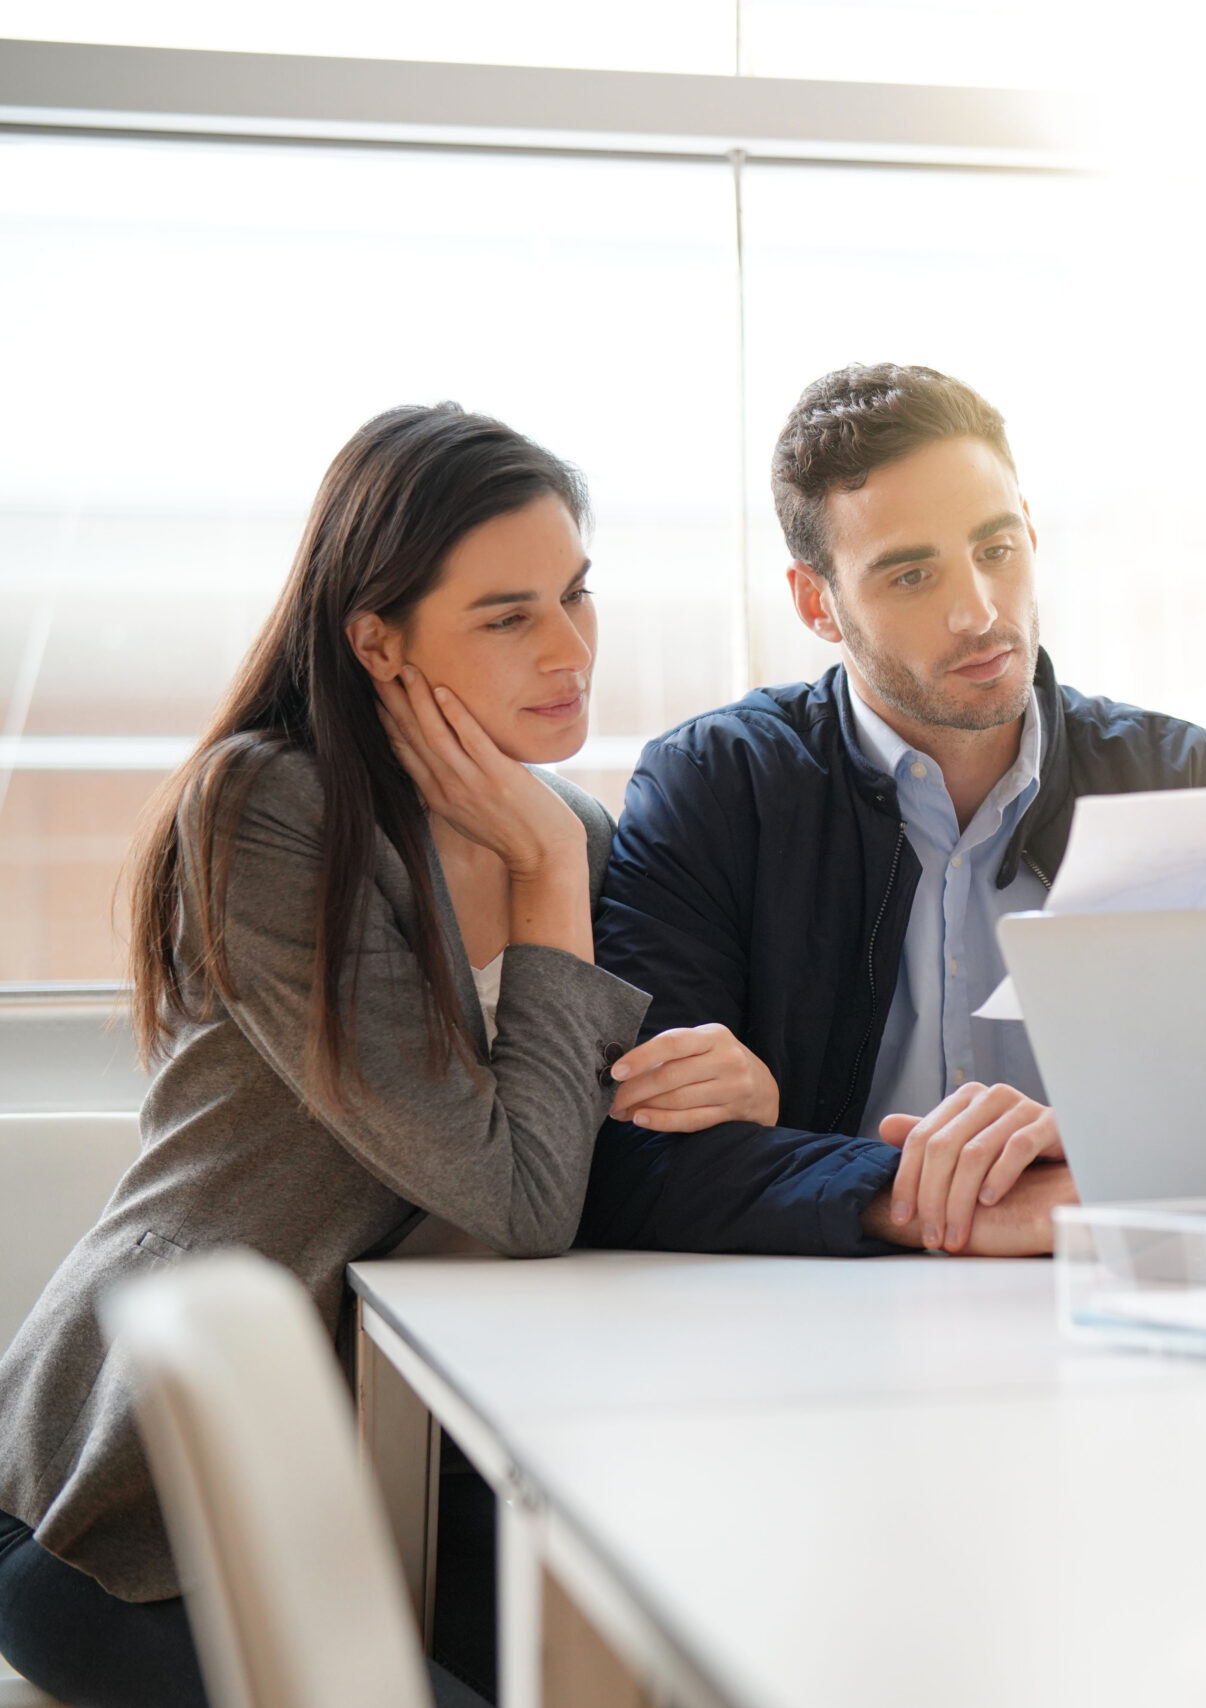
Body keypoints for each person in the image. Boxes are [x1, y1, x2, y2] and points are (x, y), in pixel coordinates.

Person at [0, 404, 650, 1708]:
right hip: (133, 1503)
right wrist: (552, 872)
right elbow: (518, 1199)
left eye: (577, 595)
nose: (572, 650)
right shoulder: (269, 810)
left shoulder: (562, 826)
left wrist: (714, 1081)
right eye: (508, 615)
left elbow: (580, 1154)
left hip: (402, 1463)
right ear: (377, 642)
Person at [578, 363, 1206, 1258]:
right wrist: (923, 1202)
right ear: (819, 602)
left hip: (1120, 1299)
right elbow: (630, 1159)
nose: (977, 612)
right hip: (819, 1323)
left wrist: (1089, 1167)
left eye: (997, 551)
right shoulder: (716, 789)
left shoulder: (1181, 781)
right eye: (911, 576)